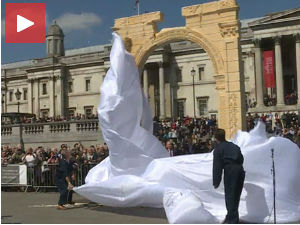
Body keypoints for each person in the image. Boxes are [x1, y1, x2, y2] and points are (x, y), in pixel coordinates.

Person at [213, 129, 245, 224]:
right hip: (240, 170)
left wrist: (216, 182)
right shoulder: (234, 146)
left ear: (216, 138)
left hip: (230, 171)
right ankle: (231, 216)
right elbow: (241, 159)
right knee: (236, 195)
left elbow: (217, 167)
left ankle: (232, 219)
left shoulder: (218, 149)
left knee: (230, 195)